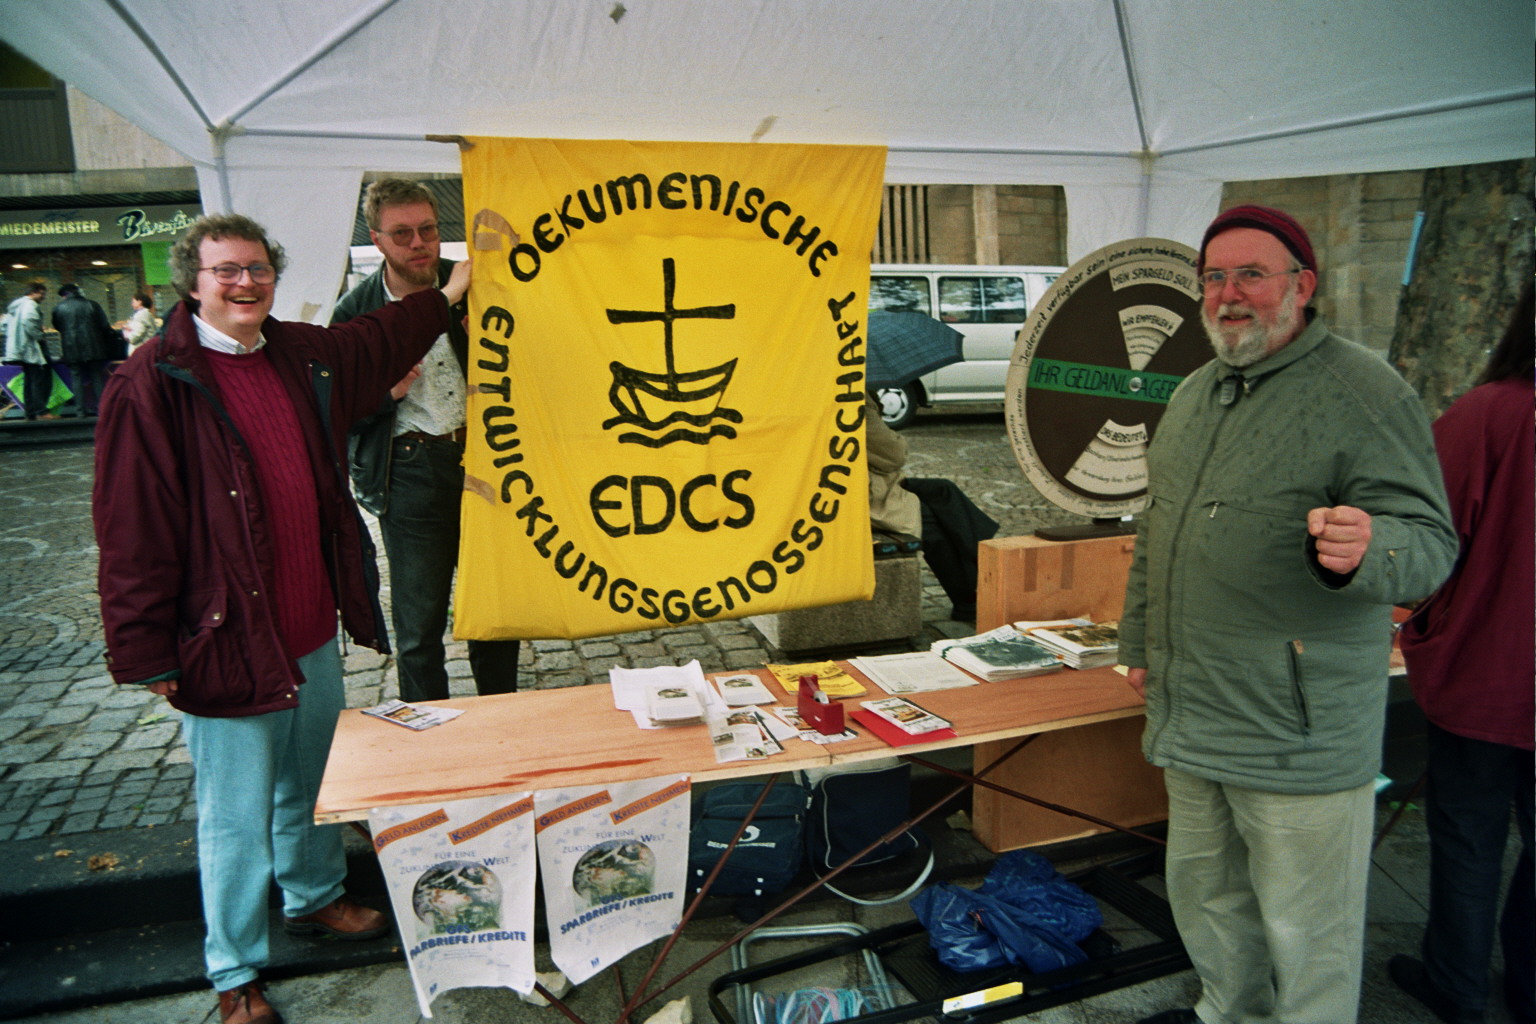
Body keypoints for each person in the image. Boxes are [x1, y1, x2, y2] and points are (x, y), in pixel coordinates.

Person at [92, 213, 470, 1024]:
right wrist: (147, 653)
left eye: (258, 268)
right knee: (233, 815)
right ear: (192, 283)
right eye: (226, 270)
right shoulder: (151, 382)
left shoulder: (299, 355)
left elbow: (380, 335)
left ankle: (315, 896)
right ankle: (232, 971)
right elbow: (130, 528)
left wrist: (454, 286)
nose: (245, 283)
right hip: (224, 638)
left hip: (307, 626)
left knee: (312, 781)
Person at [1118, 205, 1457, 1024]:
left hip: (1300, 730)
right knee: (1208, 902)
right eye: (1214, 277)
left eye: (1251, 275)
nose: (1229, 294)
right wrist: (1138, 642)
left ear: (1303, 286)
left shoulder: (1366, 392)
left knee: (1309, 934)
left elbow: (1432, 546)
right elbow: (1158, 529)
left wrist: (1370, 548)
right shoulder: (1196, 393)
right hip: (1194, 711)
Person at [1389, 282, 1534, 1024]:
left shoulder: (1489, 415)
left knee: (1469, 840)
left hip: (1487, 675)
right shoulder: (1490, 416)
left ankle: (1458, 985)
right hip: (1492, 673)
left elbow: (1422, 543)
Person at [332, 177, 521, 702]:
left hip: (484, 462)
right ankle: (431, 738)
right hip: (410, 470)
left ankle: (504, 718)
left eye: (428, 230)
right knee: (419, 624)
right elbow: (333, 409)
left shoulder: (476, 286)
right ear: (377, 239)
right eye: (402, 234)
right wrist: (383, 396)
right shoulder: (355, 312)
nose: (418, 243)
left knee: (493, 613)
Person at [52, 283, 114, 417]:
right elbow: (104, 326)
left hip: (71, 348)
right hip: (94, 347)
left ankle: (80, 411)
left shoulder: (59, 308)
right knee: (96, 377)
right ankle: (102, 409)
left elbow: (58, 326)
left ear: (64, 295)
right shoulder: (92, 305)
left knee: (76, 378)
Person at [3, 281, 55, 420]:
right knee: (39, 380)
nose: (43, 297)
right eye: (42, 294)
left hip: (19, 348)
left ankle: (30, 412)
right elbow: (29, 321)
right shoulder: (30, 305)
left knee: (29, 380)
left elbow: (4, 325)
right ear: (33, 292)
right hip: (30, 348)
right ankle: (41, 411)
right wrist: (40, 336)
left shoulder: (16, 306)